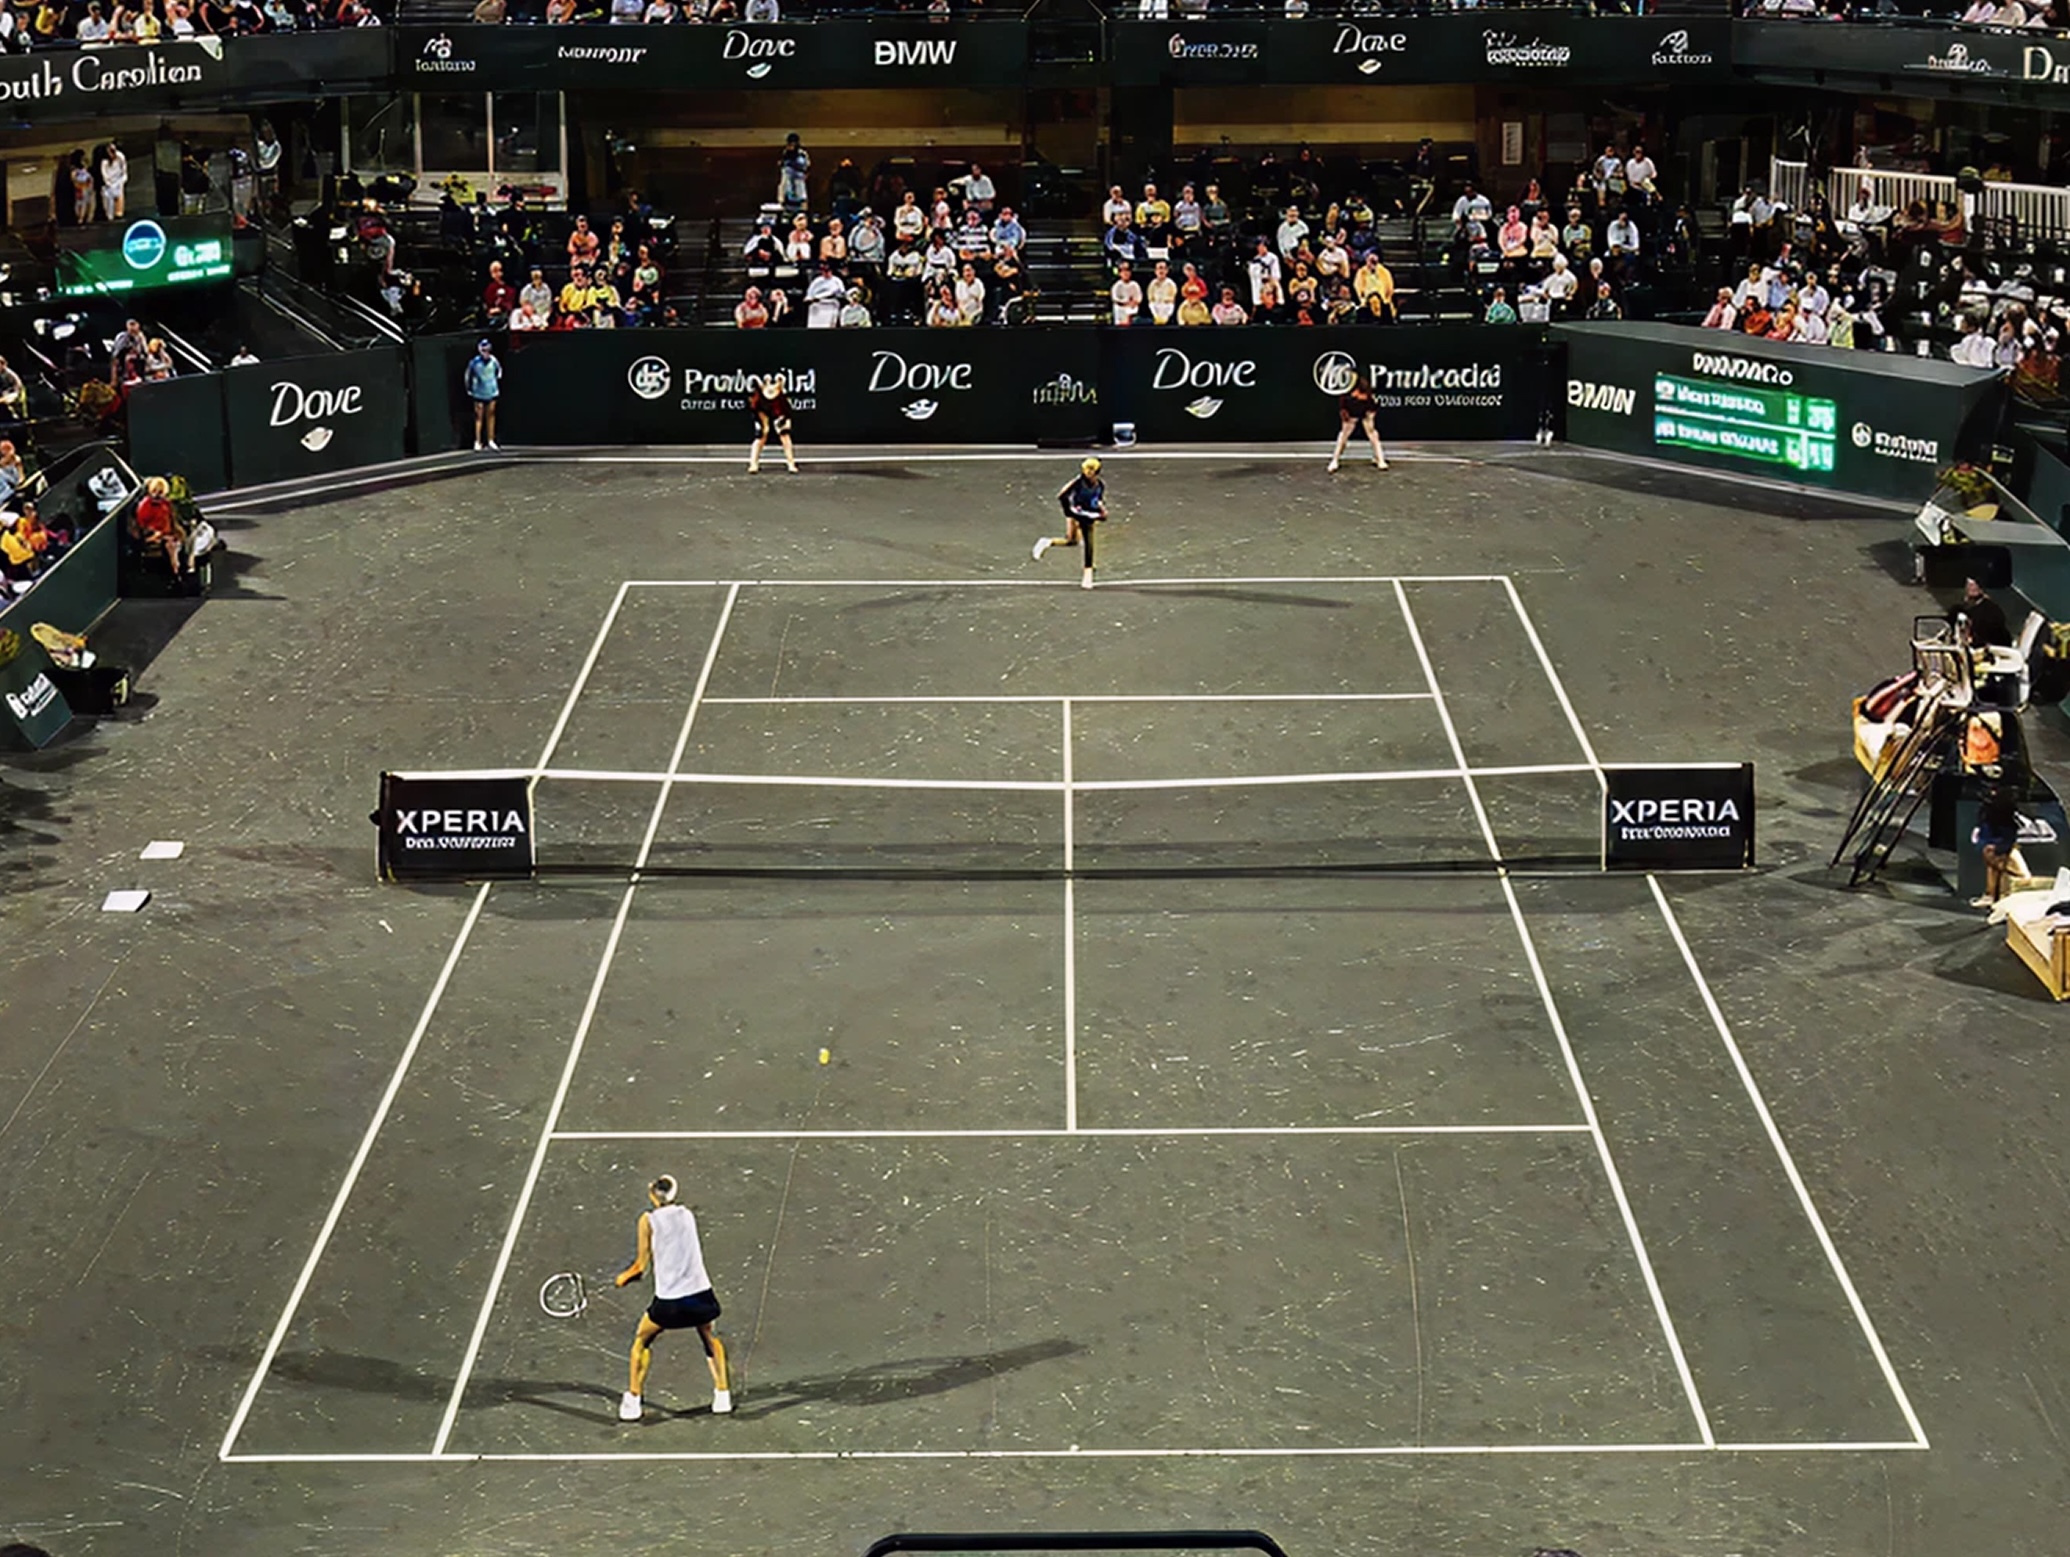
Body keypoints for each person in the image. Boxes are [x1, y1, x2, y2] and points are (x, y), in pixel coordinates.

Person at [616, 1174, 731, 1422]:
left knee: (641, 1341)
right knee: (711, 1338)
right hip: (700, 1297)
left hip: (669, 1304)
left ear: (651, 1195)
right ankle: (722, 1395)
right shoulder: (687, 1216)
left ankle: (633, 1401)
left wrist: (623, 1278)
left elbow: (640, 1267)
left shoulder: (647, 1220)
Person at [1031, 455, 1107, 590]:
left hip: (1088, 514)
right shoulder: (1078, 482)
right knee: (1088, 541)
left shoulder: (1100, 486)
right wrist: (1070, 512)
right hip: (1076, 513)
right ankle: (1087, 574)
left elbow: (1097, 500)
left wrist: (1101, 510)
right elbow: (1062, 495)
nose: (1088, 474)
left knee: (1072, 541)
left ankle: (1048, 542)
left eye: (1091, 472)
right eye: (1086, 471)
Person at [1328, 369, 1387, 474]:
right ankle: (1334, 461)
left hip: (1366, 413)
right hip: (1351, 413)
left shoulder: (1368, 399)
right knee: (1343, 437)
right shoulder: (1346, 396)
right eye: (1360, 395)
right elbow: (1342, 408)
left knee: (1373, 435)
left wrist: (1370, 419)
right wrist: (1345, 415)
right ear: (1356, 391)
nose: (1362, 397)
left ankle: (1380, 459)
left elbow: (1373, 410)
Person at [132, 474, 188, 578]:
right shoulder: (145, 505)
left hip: (166, 533)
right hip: (154, 534)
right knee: (170, 545)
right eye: (155, 491)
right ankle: (175, 567)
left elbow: (171, 519)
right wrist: (153, 534)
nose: (157, 495)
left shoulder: (166, 504)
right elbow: (141, 524)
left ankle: (182, 566)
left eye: (160, 492)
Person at [747, 373, 796, 474]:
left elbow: (787, 412)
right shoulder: (758, 398)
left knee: (784, 436)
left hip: (779, 413)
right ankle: (753, 463)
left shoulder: (782, 399)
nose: (771, 388)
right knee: (761, 436)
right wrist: (762, 425)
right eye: (768, 384)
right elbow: (755, 410)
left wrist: (783, 422)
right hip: (762, 412)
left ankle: (791, 463)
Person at [777, 132, 810, 211]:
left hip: (798, 181)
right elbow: (782, 166)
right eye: (790, 143)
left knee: (801, 198)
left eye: (793, 143)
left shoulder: (802, 153)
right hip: (787, 182)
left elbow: (805, 165)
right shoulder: (785, 153)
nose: (792, 145)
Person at [100, 138, 127, 219]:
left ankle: (119, 214)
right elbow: (104, 175)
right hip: (109, 184)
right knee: (108, 203)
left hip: (118, 181)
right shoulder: (104, 162)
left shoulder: (120, 157)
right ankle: (110, 217)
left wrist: (122, 181)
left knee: (119, 200)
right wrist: (109, 183)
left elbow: (124, 170)